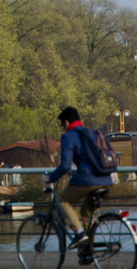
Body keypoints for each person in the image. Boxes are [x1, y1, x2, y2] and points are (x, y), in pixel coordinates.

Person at [41, 107, 113, 250]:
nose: (62, 129)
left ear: (66, 123)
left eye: (62, 125)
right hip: (106, 179)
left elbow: (65, 166)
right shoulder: (92, 133)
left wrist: (50, 178)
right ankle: (88, 252)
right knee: (86, 215)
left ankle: (79, 233)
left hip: (88, 180)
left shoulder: (69, 136)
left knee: (62, 199)